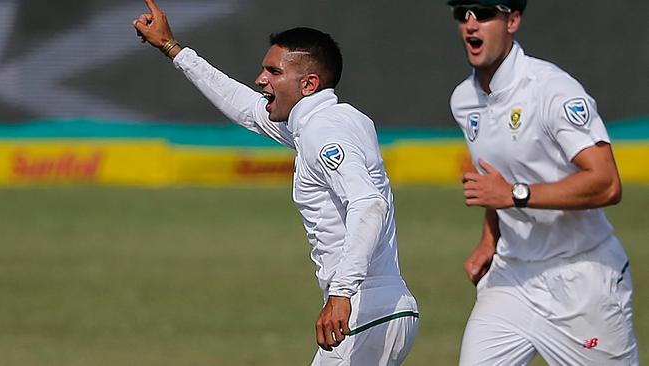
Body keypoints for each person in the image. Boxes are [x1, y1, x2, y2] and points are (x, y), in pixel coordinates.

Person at [132, 1, 419, 364]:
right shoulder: (330, 120)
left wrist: (341, 294)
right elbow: (245, 108)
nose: (260, 79)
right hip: (388, 309)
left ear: (309, 83)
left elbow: (369, 203)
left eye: (273, 71)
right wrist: (172, 48)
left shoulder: (322, 129)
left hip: (364, 311)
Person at [447, 0, 639, 364]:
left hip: (581, 278)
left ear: (513, 20)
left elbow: (607, 184)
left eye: (485, 13)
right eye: (463, 14)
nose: (471, 24)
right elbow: (496, 181)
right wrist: (490, 239)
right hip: (511, 278)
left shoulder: (552, 90)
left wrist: (516, 195)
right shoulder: (463, 100)